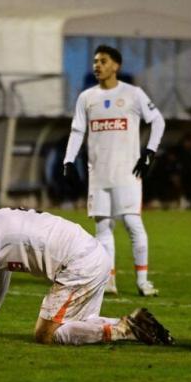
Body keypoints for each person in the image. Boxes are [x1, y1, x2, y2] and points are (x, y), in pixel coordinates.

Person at [0, 208, 173, 346]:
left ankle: (125, 330)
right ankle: (136, 324)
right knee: (81, 325)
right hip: (94, 255)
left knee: (46, 334)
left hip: (79, 265)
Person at [63, 45, 166, 297]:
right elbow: (78, 131)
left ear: (116, 66)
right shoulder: (86, 97)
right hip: (98, 174)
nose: (97, 65)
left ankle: (142, 282)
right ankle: (108, 281)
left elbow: (158, 121)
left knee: (132, 223)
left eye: (103, 61)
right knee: (103, 227)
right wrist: (68, 160)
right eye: (95, 61)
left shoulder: (133, 94)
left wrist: (149, 152)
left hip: (127, 172)